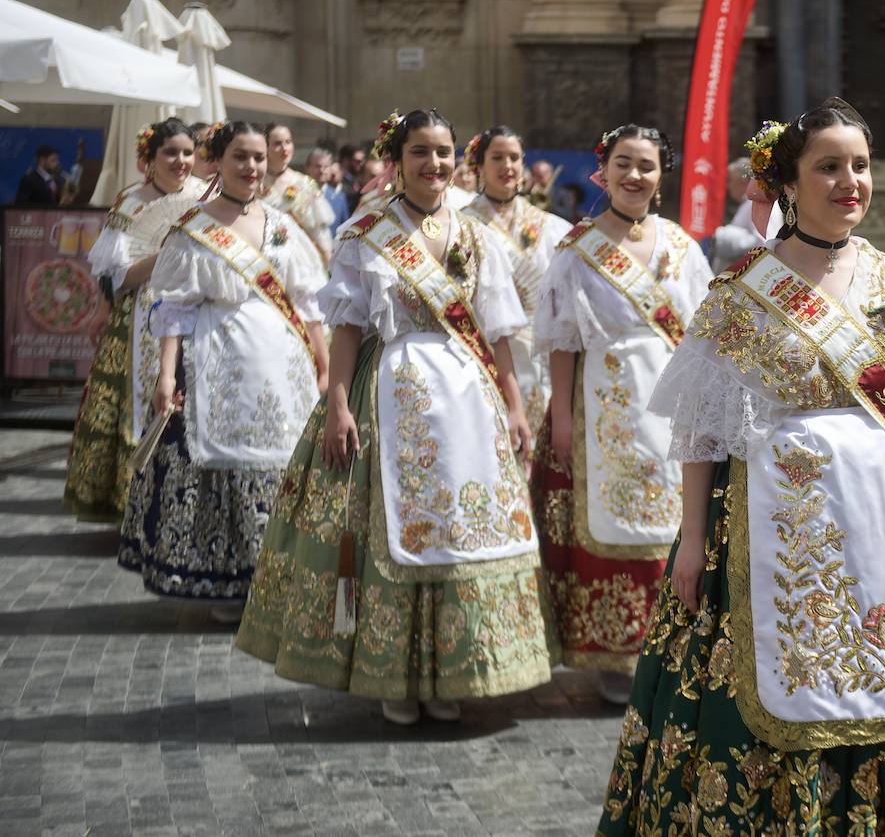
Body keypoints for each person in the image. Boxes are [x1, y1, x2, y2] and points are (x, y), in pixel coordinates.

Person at [597, 100, 885, 833]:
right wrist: (690, 540)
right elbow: (701, 433)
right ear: (788, 182)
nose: (851, 182)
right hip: (772, 526)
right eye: (830, 167)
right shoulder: (742, 294)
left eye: (861, 166)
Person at [234, 109, 559, 726]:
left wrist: (515, 405)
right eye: (420, 152)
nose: (433, 164)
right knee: (388, 531)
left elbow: (499, 330)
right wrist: (335, 407)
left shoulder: (475, 237)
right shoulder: (365, 232)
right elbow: (348, 325)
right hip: (386, 394)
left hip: (467, 402)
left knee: (461, 530)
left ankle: (447, 670)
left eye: (443, 152)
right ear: (397, 159)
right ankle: (394, 672)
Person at [117, 120, 328, 622]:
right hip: (216, 357)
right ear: (219, 160)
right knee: (220, 463)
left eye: (258, 158)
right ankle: (228, 579)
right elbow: (174, 308)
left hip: (282, 360)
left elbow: (307, 299)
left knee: (283, 459)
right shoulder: (194, 226)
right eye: (240, 157)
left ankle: (278, 577)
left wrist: (321, 359)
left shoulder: (282, 225)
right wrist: (166, 376)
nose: (251, 167)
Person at [530, 124, 712, 703]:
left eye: (647, 166)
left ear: (662, 176)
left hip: (672, 395)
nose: (635, 176)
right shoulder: (576, 252)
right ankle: (614, 650)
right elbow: (562, 341)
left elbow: (704, 333)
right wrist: (560, 415)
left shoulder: (682, 246)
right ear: (601, 173)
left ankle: (675, 645)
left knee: (675, 516)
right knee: (612, 516)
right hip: (601, 401)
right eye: (624, 164)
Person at [64, 118, 208, 522]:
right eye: (170, 152)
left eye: (187, 152)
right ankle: (139, 501)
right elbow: (120, 277)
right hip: (143, 314)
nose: (180, 161)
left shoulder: (205, 197)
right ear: (151, 157)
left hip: (200, 311)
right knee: (147, 401)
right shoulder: (130, 204)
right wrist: (169, 252)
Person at [461, 126, 574, 432]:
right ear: (479, 165)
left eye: (514, 157)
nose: (507, 166)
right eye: (497, 157)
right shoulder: (461, 226)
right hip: (484, 347)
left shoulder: (551, 228)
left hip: (540, 350)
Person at [259, 122, 336, 268]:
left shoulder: (305, 184)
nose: (284, 148)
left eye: (288, 142)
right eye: (277, 143)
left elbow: (320, 231)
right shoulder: (255, 183)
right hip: (263, 260)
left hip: (301, 262)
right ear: (265, 147)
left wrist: (328, 263)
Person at [707, 156, 766, 273]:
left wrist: (724, 236)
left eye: (730, 180)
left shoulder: (759, 203)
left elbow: (763, 243)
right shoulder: (749, 203)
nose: (727, 186)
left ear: (743, 181)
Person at [304, 146, 349, 235]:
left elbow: (345, 230)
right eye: (317, 166)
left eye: (326, 167)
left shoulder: (339, 198)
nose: (322, 170)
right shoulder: (299, 193)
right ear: (307, 168)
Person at [337, 142, 367, 212]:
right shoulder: (337, 180)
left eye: (363, 160)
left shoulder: (360, 180)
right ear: (345, 161)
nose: (362, 164)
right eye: (357, 161)